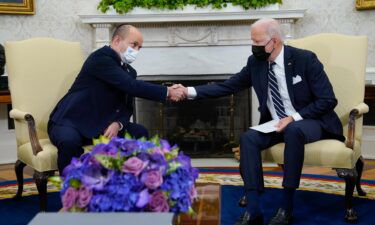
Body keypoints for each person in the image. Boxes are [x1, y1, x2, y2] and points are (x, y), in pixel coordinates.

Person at [174, 19, 344, 225]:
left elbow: (327, 100)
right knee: (248, 138)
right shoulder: (256, 63)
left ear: (275, 41)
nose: (254, 47)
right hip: (275, 122)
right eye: (252, 41)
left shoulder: (305, 59)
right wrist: (188, 91)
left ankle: (286, 206)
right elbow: (228, 86)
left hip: (310, 120)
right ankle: (254, 210)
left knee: (294, 130)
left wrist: (293, 117)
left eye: (258, 42)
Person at [48, 25, 185, 174]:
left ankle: (129, 181)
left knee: (140, 132)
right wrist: (168, 92)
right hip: (72, 121)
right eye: (134, 45)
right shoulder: (100, 58)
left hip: (101, 125)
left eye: (140, 47)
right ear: (117, 40)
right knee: (69, 142)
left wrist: (118, 124)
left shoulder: (129, 71)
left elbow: (126, 106)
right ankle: (71, 190)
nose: (136, 51)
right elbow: (131, 86)